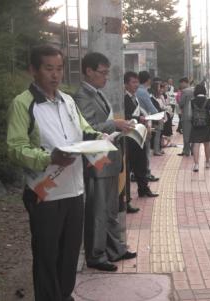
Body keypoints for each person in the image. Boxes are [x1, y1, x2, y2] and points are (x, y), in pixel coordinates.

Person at [6, 45, 101, 301]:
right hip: (44, 192)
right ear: (33, 70)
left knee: (70, 254)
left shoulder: (68, 101)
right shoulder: (23, 104)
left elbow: (84, 130)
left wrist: (100, 139)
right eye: (49, 69)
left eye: (59, 68)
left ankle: (65, 295)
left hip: (74, 189)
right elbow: (15, 148)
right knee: (47, 256)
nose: (55, 75)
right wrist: (49, 158)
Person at [74, 52, 137, 272]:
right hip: (96, 161)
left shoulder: (97, 94)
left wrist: (119, 125)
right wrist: (115, 125)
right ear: (89, 71)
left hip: (107, 159)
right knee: (97, 211)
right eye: (102, 72)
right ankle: (96, 254)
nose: (106, 77)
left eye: (107, 72)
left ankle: (114, 248)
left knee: (110, 209)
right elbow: (88, 129)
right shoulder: (82, 96)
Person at [124, 71, 159, 198]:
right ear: (126, 84)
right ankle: (126, 199)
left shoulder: (135, 98)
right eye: (133, 82)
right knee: (128, 168)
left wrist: (146, 122)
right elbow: (126, 117)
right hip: (129, 138)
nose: (136, 85)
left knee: (142, 164)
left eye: (137, 82)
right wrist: (139, 118)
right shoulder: (124, 99)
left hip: (139, 136)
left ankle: (143, 189)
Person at [136, 71, 159, 182]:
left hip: (135, 123)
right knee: (145, 150)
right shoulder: (143, 92)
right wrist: (159, 115)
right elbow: (151, 108)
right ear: (148, 80)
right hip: (144, 122)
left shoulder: (135, 91)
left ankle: (135, 173)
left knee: (138, 150)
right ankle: (146, 172)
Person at [190, 84, 210, 172]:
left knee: (196, 144)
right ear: (204, 91)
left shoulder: (192, 101)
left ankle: (196, 164)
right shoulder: (209, 101)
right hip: (207, 125)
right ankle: (208, 162)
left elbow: (190, 114)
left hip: (196, 125)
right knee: (207, 144)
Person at [178, 77, 194, 156]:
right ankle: (194, 150)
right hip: (194, 116)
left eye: (181, 83)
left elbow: (181, 103)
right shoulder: (193, 90)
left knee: (186, 134)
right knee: (193, 134)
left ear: (184, 82)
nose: (180, 85)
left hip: (186, 115)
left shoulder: (185, 91)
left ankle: (186, 151)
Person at [150, 79, 165, 156]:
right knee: (157, 135)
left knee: (159, 134)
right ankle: (156, 150)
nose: (160, 89)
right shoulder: (152, 98)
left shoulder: (158, 97)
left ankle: (158, 149)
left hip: (160, 118)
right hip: (156, 119)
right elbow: (155, 109)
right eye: (159, 87)